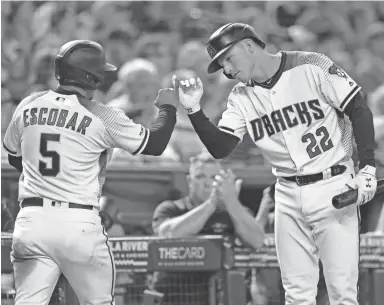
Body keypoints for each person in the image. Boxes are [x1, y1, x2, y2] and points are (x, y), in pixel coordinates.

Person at [173, 23, 378, 305]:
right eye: (222, 66)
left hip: (333, 185)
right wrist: (194, 111)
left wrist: (368, 165)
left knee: (342, 292)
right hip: (287, 191)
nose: (228, 70)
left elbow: (358, 108)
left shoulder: (311, 65)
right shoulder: (240, 97)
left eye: (228, 59)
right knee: (296, 294)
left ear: (248, 45)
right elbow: (221, 148)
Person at [2, 40, 179, 305]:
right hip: (78, 221)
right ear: (92, 77)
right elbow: (155, 144)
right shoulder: (102, 114)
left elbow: (16, 157)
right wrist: (169, 107)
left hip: (32, 220)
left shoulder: (28, 104)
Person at [151, 151, 270, 305]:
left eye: (214, 178)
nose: (207, 183)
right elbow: (167, 234)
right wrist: (211, 204)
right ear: (189, 180)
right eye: (200, 177)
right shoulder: (170, 208)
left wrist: (231, 200)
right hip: (175, 298)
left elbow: (258, 240)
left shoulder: (233, 212)